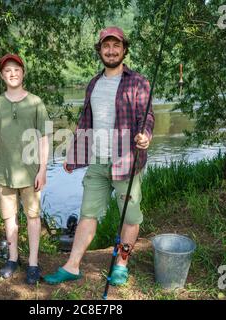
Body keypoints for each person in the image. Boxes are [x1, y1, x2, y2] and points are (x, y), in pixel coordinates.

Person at [43, 27, 154, 286]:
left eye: (116, 46)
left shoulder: (138, 81)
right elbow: (87, 122)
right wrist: (73, 156)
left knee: (130, 216)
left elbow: (147, 116)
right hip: (98, 162)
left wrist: (145, 135)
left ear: (124, 49)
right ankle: (72, 266)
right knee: (87, 214)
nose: (111, 50)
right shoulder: (94, 83)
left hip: (127, 161)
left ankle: (121, 264)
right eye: (106, 46)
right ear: (100, 50)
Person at [0, 53, 50, 285]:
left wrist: (42, 169)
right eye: (7, 70)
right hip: (4, 172)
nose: (12, 73)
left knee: (33, 217)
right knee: (9, 218)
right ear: (2, 76)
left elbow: (45, 136)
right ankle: (12, 259)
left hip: (31, 173)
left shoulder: (37, 102)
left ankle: (32, 262)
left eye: (16, 69)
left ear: (23, 73)